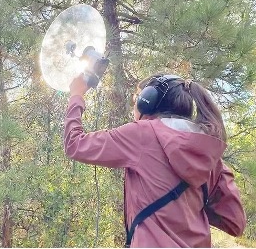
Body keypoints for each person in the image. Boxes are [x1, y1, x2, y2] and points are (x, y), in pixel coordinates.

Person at [64, 73, 246, 248]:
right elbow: (235, 223)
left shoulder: (142, 134)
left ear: (147, 102)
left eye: (137, 98)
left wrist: (76, 95)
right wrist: (187, 209)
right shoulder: (210, 153)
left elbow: (75, 144)